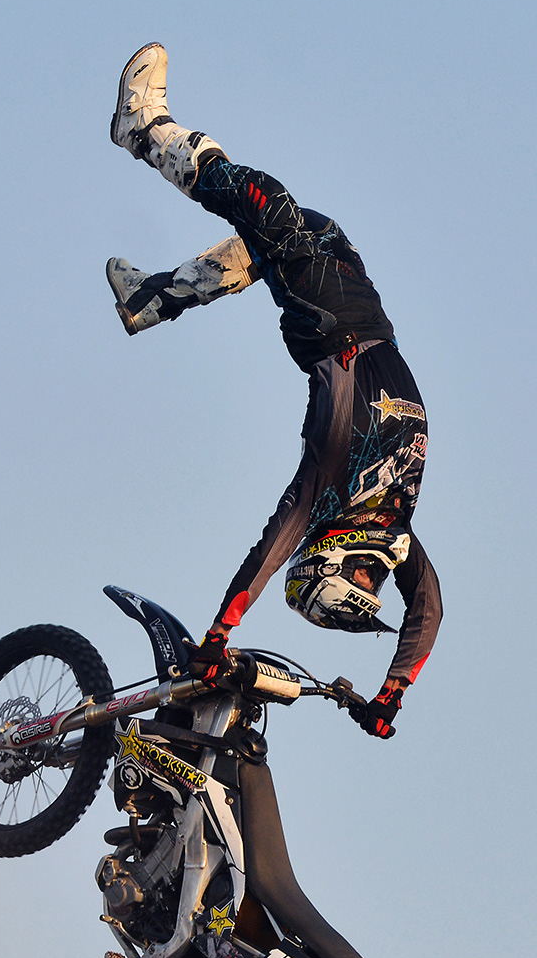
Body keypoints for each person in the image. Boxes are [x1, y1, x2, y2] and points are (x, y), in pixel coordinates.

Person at [109, 45, 442, 739]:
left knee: (268, 206)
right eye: (375, 584)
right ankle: (155, 297)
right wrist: (390, 696)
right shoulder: (393, 530)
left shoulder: (326, 484)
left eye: (364, 579)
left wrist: (218, 631)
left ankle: (144, 131)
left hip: (331, 328)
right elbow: (429, 611)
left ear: (331, 558)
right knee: (306, 232)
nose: (380, 576)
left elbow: (267, 550)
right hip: (369, 323)